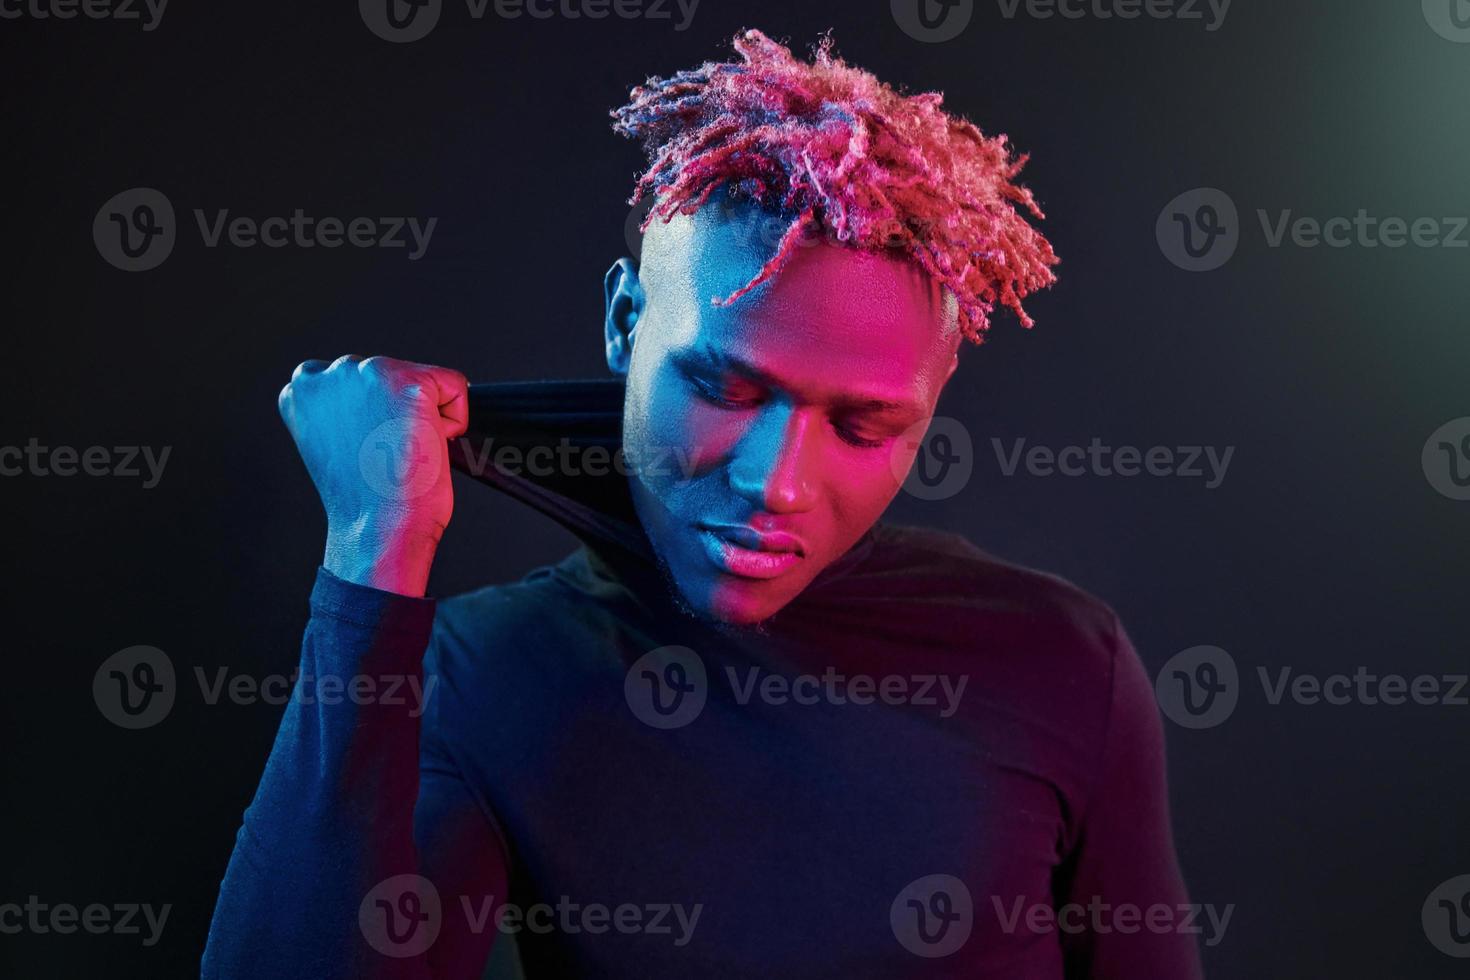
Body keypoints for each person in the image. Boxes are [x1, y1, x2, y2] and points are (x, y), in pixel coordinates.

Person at [202, 28, 1204, 979]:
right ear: (625, 319)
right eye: (725, 388)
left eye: (862, 426)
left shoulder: (1063, 661)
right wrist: (372, 554)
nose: (775, 482)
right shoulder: (491, 674)